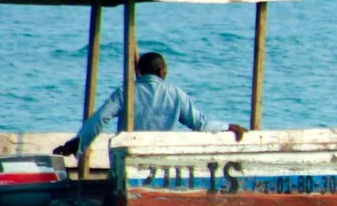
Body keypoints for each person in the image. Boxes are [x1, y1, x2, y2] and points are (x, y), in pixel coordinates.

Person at [54, 51, 245, 157]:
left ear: (140, 72)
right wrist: (228, 126)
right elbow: (200, 124)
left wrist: (78, 142)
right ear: (161, 70)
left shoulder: (125, 92)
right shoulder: (176, 94)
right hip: (161, 155)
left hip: (130, 153)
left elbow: (100, 119)